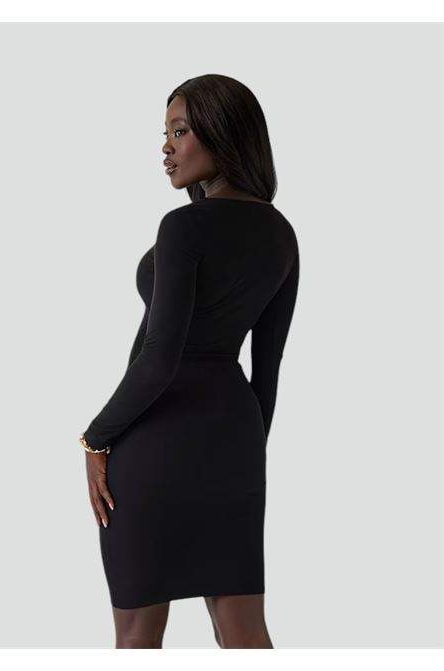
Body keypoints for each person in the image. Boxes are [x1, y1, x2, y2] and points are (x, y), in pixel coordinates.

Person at [80, 74, 300, 648]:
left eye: (180, 131)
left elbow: (160, 357)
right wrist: (242, 460)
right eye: (166, 133)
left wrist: (96, 439)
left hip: (157, 440)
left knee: (137, 636)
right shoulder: (282, 234)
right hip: (236, 440)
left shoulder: (183, 226)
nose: (166, 147)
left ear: (222, 133)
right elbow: (268, 370)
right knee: (244, 630)